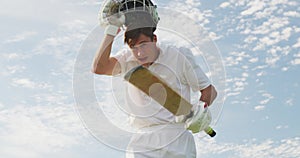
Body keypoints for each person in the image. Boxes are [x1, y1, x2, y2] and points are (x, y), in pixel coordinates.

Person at [92, 0, 217, 157]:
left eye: (144, 45)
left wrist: (202, 108)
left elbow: (209, 90)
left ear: (154, 39)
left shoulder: (179, 56)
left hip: (177, 138)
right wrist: (111, 29)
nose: (139, 53)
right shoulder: (127, 59)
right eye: (134, 47)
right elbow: (99, 67)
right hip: (143, 141)